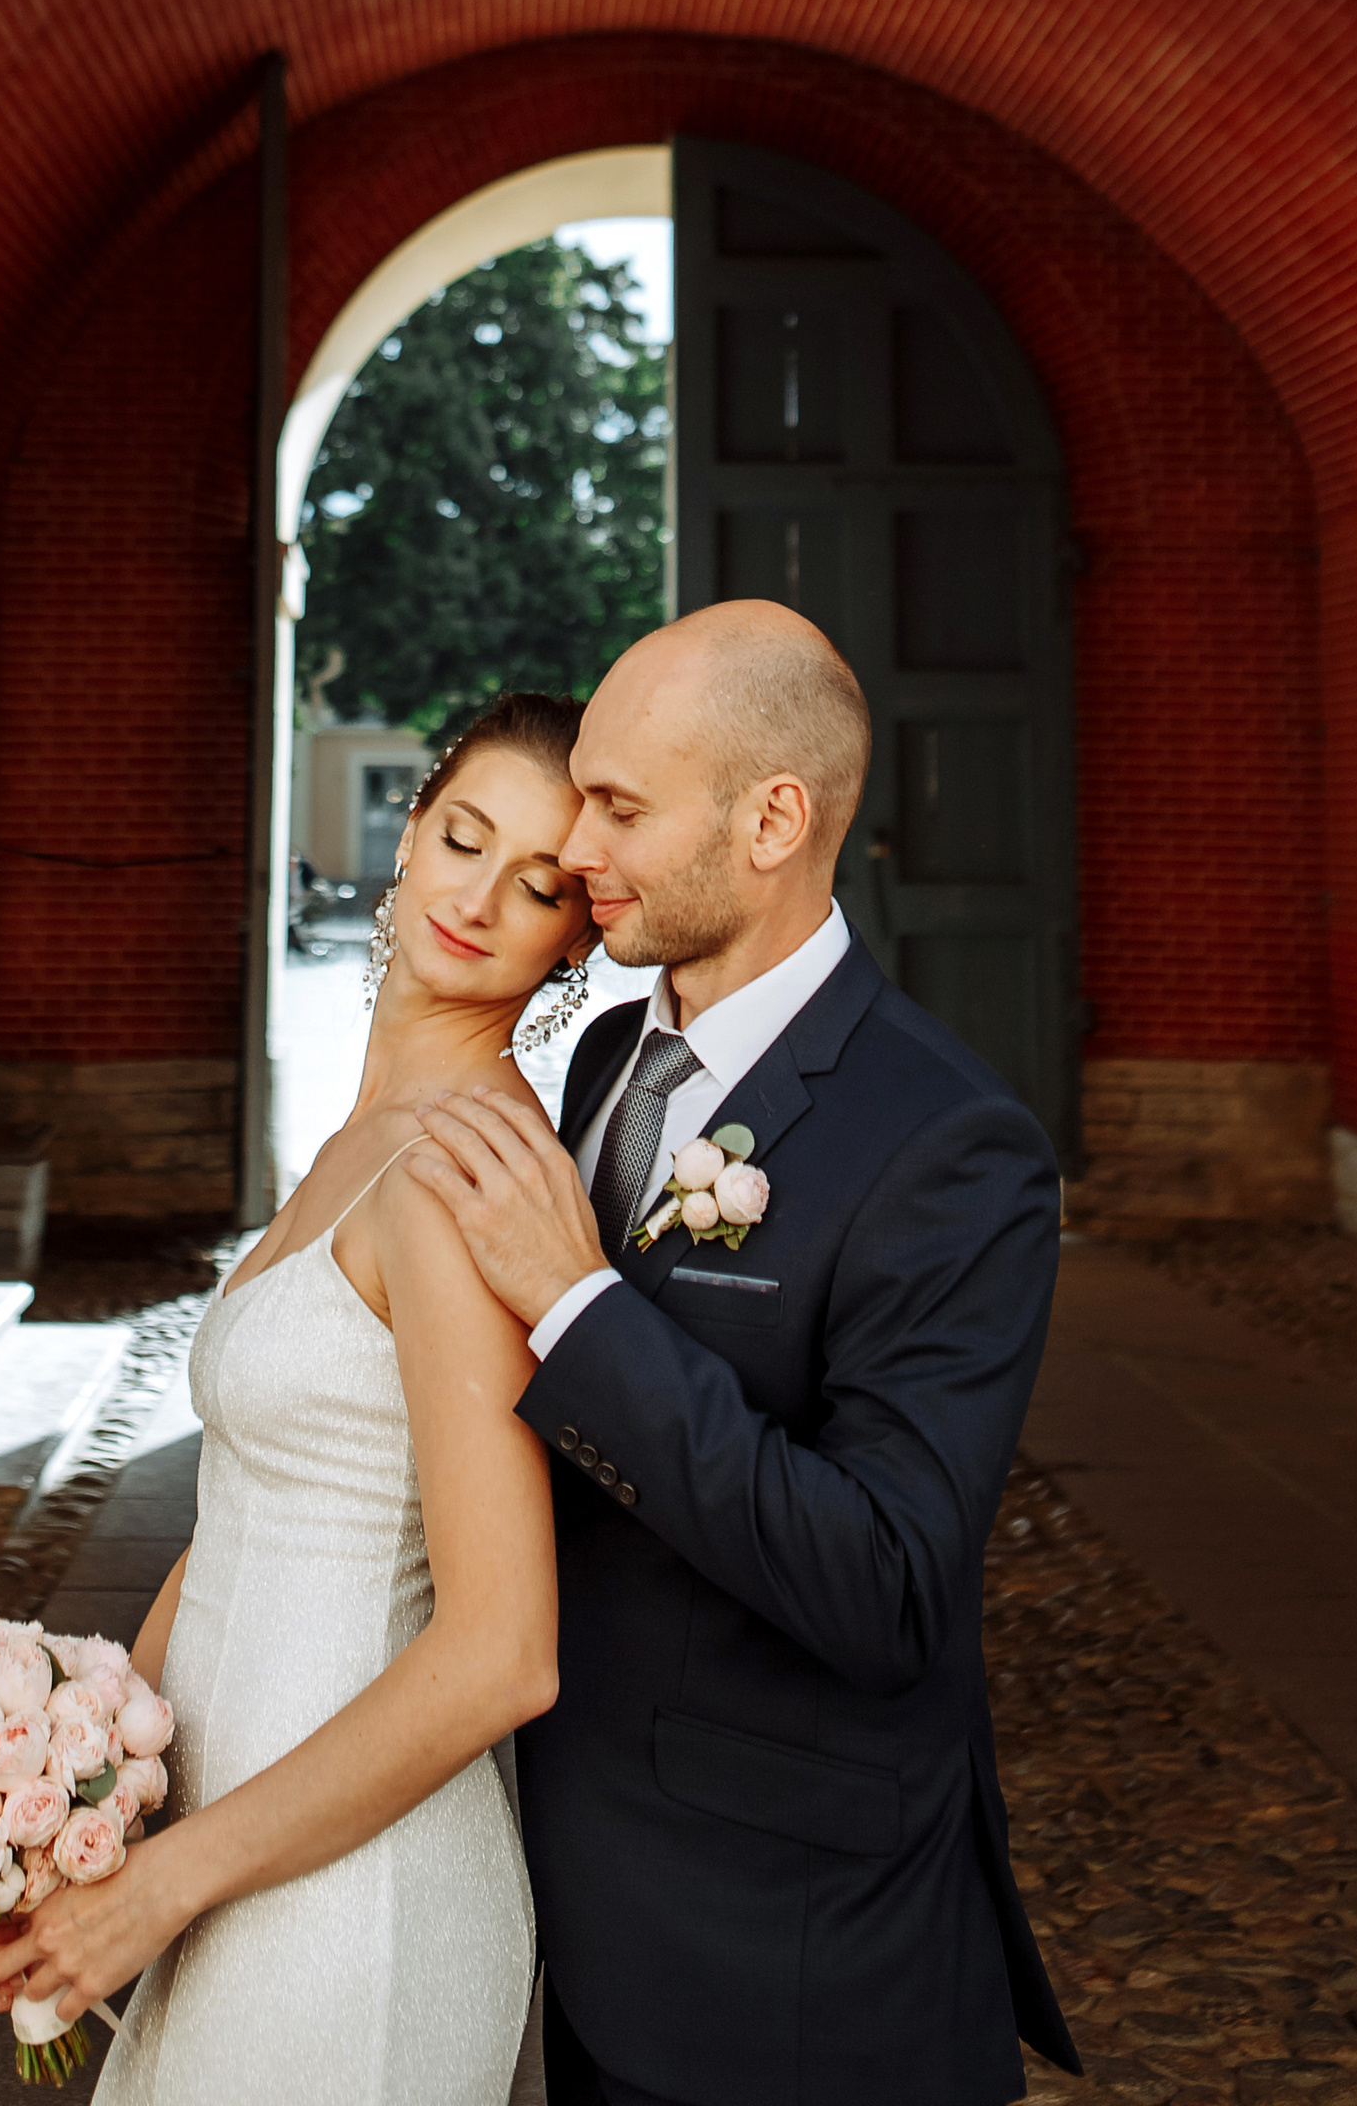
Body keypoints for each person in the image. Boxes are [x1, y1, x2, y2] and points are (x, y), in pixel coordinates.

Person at [407, 600, 1080, 2106]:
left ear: (774, 819)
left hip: (790, 1970)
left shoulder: (951, 1147)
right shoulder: (597, 1059)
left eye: (621, 808)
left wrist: (582, 1311)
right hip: (565, 1908)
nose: (577, 849)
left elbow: (890, 1583)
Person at [0, 689, 595, 2103]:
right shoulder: (354, 1142)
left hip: (352, 1903)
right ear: (408, 836)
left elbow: (507, 1652)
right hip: (222, 1853)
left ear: (578, 936)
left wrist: (161, 1883)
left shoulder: (463, 1174)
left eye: (540, 884)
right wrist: (77, 1802)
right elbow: (237, 1522)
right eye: (462, 838)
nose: (480, 898)